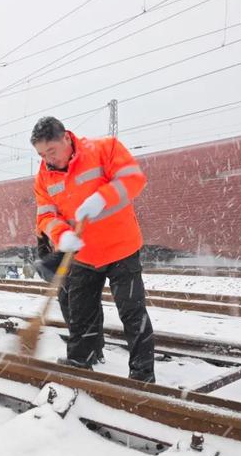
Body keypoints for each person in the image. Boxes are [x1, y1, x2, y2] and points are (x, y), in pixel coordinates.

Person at [31, 116, 155, 383]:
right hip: (84, 254)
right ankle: (80, 361)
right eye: (42, 154)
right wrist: (61, 234)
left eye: (51, 151)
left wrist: (103, 198)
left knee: (132, 312)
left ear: (66, 138)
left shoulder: (104, 149)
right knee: (80, 311)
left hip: (121, 247)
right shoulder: (44, 176)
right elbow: (45, 214)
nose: (48, 159)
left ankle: (142, 373)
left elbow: (133, 178)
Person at [34, 231, 105, 364]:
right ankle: (91, 350)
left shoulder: (66, 216)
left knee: (82, 310)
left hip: (82, 264)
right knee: (77, 307)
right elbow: (43, 244)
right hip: (69, 266)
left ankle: (92, 351)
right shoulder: (50, 221)